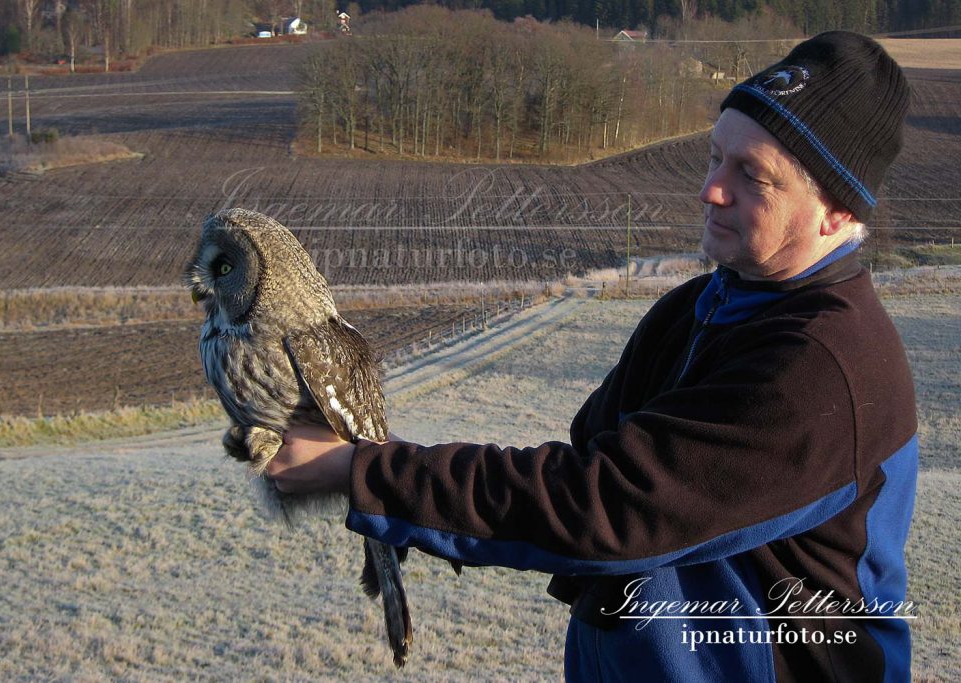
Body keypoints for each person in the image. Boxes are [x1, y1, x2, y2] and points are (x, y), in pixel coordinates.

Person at [267, 31, 917, 681]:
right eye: (716, 157)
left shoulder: (825, 366)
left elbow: (605, 504)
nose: (711, 190)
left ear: (836, 214)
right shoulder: (695, 310)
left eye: (752, 175)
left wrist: (368, 473)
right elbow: (586, 459)